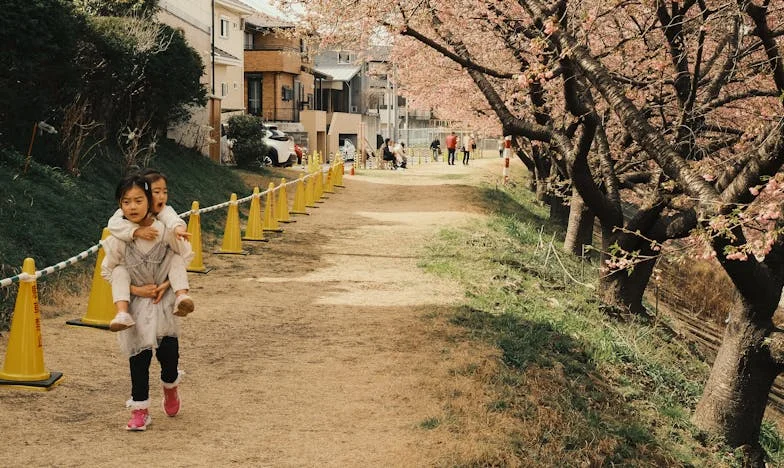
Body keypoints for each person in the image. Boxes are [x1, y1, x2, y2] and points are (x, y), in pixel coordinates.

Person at [102, 173, 194, 431]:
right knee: (139, 360)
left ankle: (170, 387)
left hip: (165, 303)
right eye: (126, 201)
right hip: (135, 306)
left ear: (149, 200)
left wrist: (168, 284)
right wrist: (135, 290)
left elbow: (185, 255)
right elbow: (107, 271)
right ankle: (140, 411)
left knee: (168, 357)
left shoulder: (163, 229)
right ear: (119, 205)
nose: (132, 206)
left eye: (138, 200)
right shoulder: (119, 238)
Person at [107, 169, 194, 332]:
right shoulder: (122, 223)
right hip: (136, 298)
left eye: (164, 192)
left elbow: (174, 220)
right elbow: (113, 225)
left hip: (163, 294)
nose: (161, 197)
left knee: (168, 347)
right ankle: (122, 313)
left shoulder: (164, 217)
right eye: (156, 192)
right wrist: (136, 232)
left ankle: (181, 295)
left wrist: (179, 229)